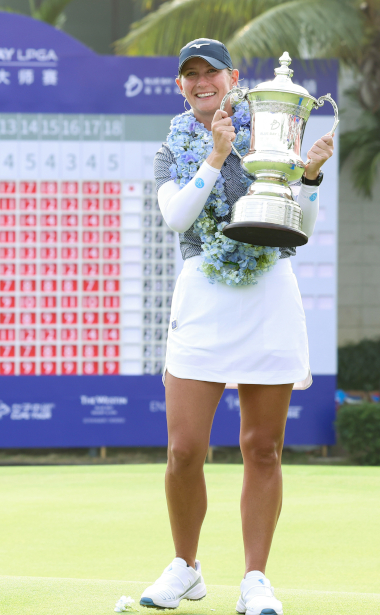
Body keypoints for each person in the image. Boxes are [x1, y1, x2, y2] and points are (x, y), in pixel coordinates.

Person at [138, 39, 334, 615]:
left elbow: (299, 222)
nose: (202, 83)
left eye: (212, 73)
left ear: (234, 78)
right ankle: (185, 567)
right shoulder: (171, 149)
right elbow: (178, 217)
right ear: (180, 86)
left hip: (269, 290)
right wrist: (215, 158)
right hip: (202, 296)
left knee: (263, 448)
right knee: (184, 449)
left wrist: (312, 178)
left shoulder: (272, 128)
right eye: (190, 76)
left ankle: (255, 580)